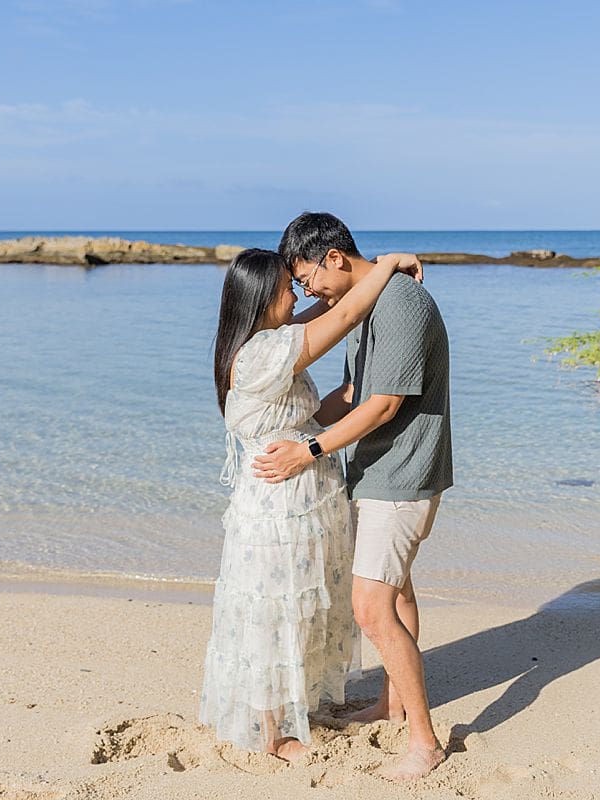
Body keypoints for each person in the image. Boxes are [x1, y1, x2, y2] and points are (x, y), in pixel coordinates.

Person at [200, 247, 423, 762]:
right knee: (275, 612)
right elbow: (343, 315)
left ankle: (294, 711)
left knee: (302, 609)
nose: (296, 292)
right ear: (260, 298)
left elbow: (327, 310)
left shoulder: (266, 339)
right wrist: (386, 265)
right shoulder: (261, 353)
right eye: (285, 284)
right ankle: (272, 734)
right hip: (280, 508)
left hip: (305, 501)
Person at [253, 213, 453, 781]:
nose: (305, 292)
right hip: (377, 469)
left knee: (370, 607)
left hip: (403, 474)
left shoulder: (400, 305)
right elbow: (352, 393)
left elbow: (384, 405)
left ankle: (423, 743)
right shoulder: (371, 303)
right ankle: (394, 702)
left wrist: (309, 450)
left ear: (334, 258)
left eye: (306, 279)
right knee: (398, 592)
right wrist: (293, 427)